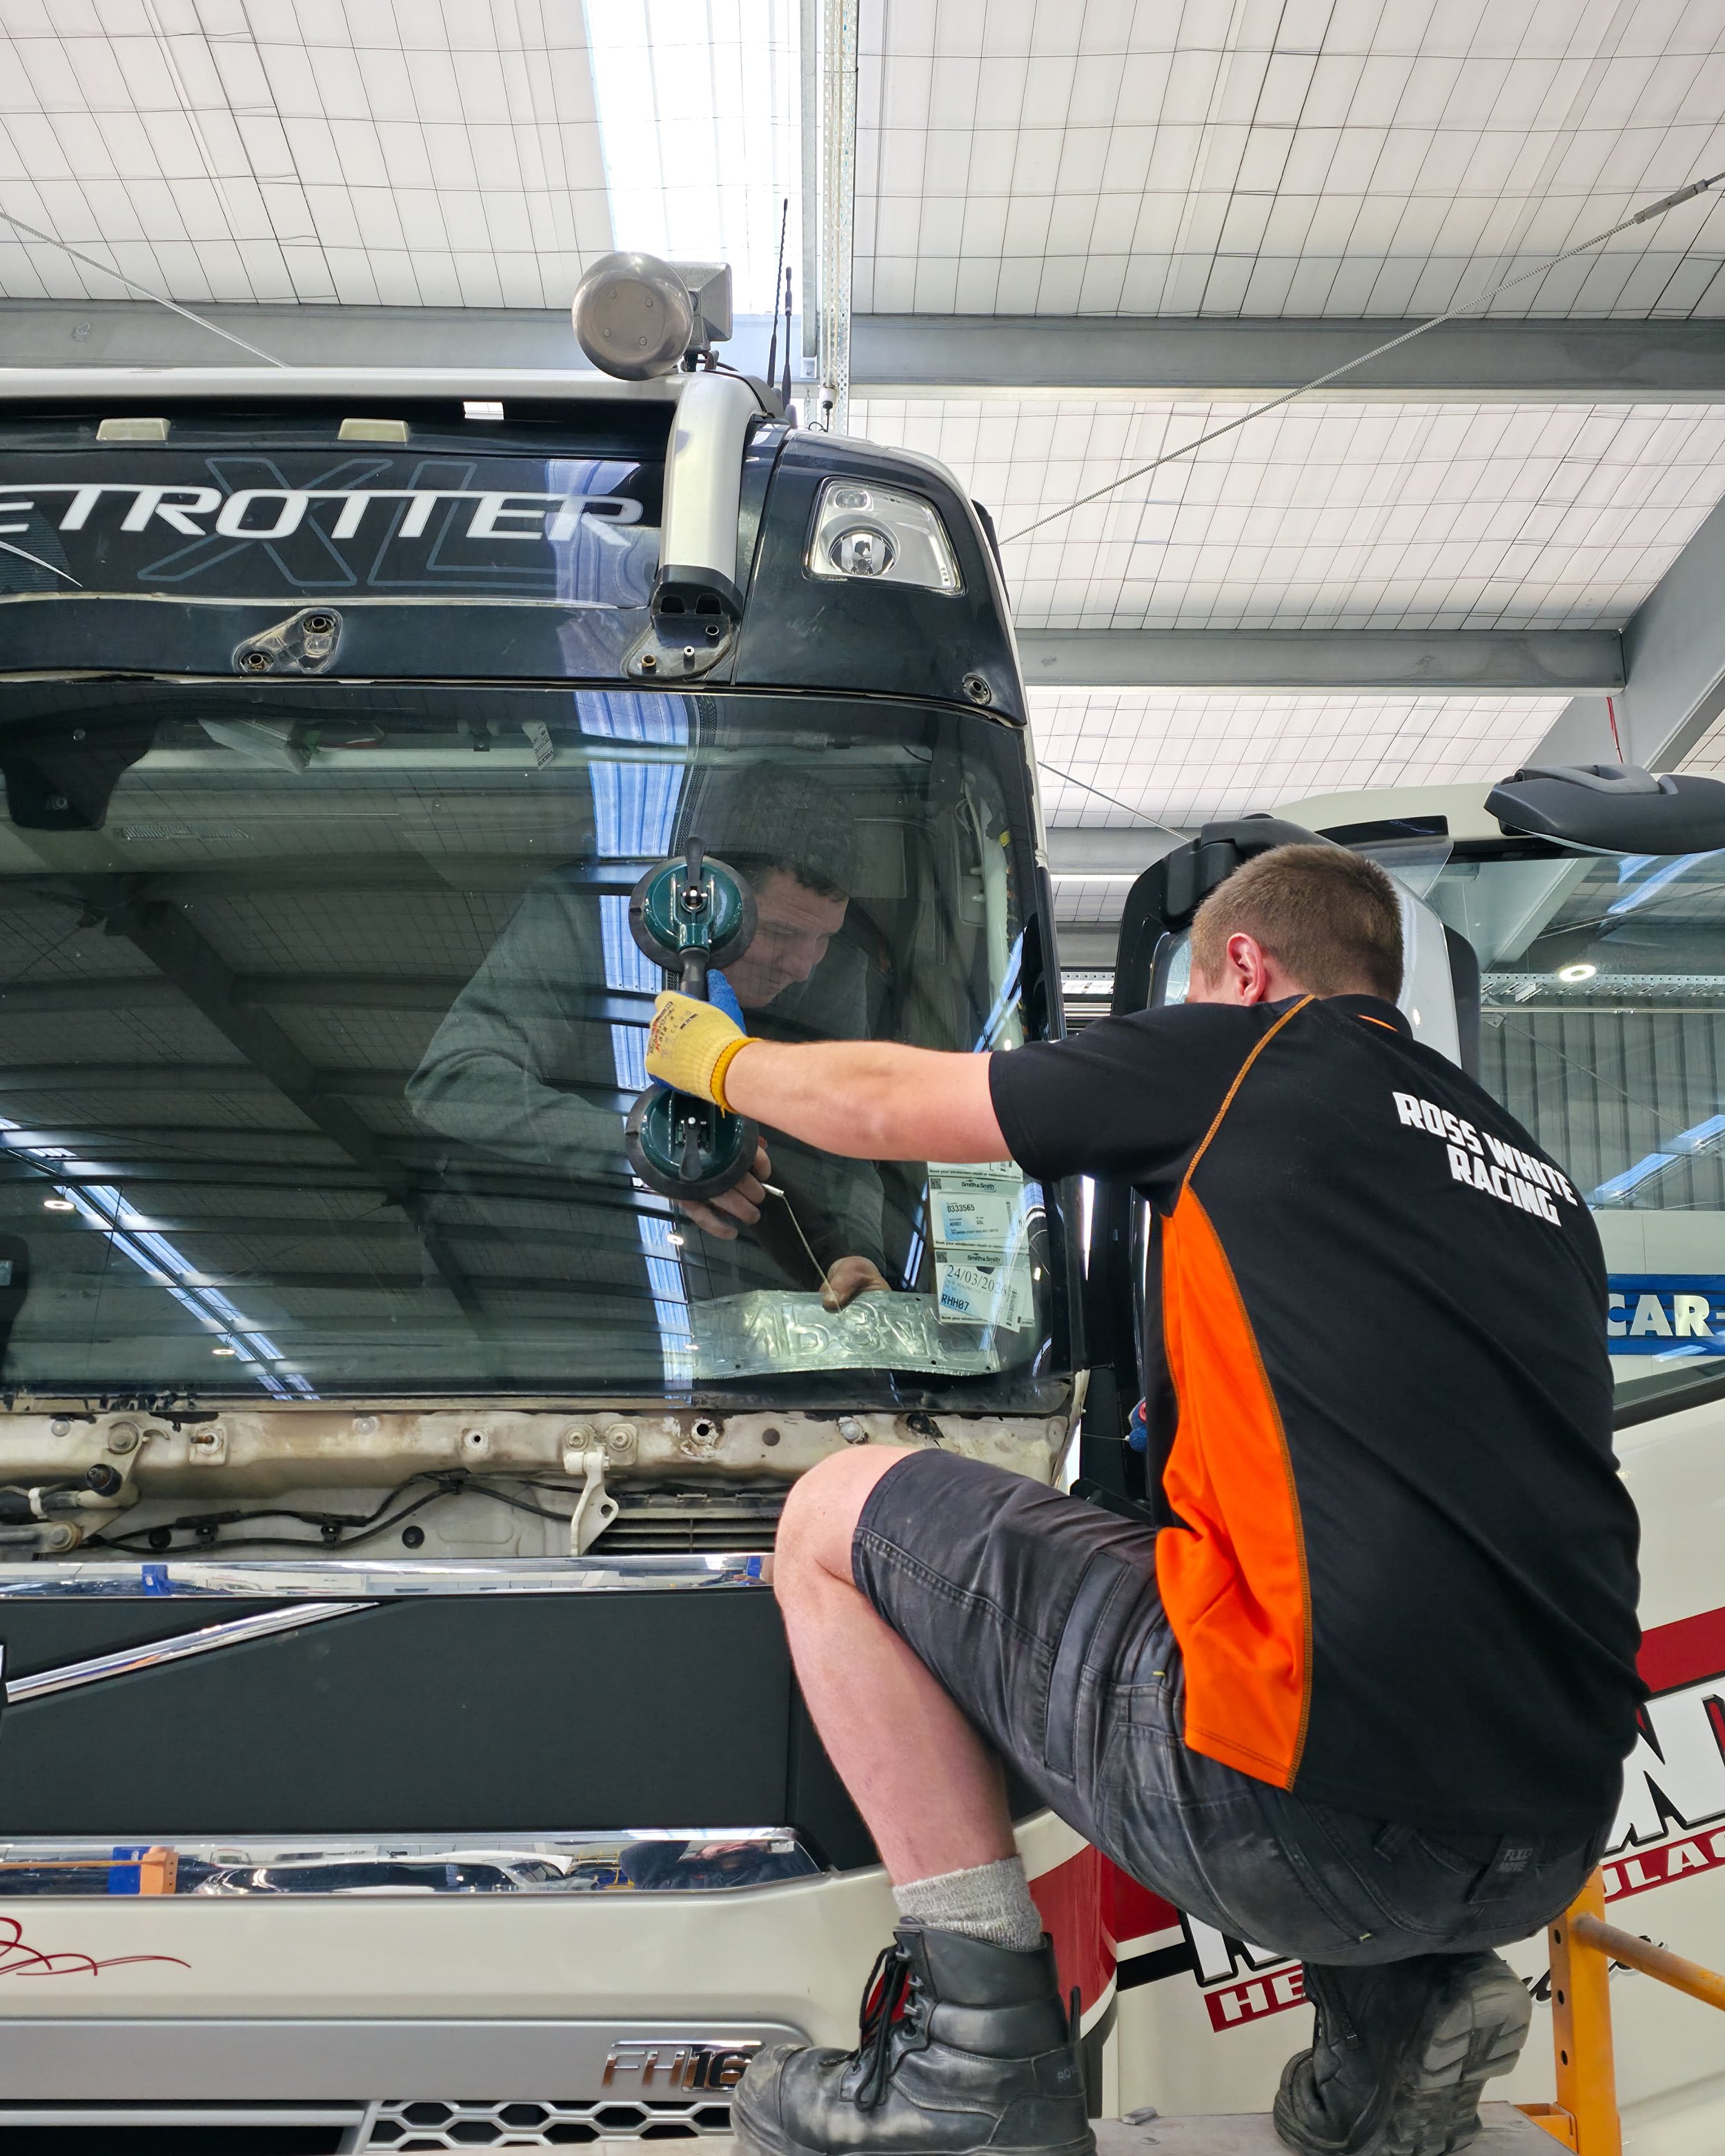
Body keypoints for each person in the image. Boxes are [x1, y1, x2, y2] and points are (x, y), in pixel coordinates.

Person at [643, 843, 1642, 2156]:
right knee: (1260, 1576)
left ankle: (973, 2059)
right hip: (1555, 1835)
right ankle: (1399, 2014)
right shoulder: (1532, 1180)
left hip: (1305, 1824)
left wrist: (718, 1062)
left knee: (833, 1516)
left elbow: (895, 1105)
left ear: (1242, 965)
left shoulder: (1255, 1054)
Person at [408, 763, 890, 1312]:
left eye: (823, 938)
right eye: (781, 933)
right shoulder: (590, 919)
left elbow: (856, 1133)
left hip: (739, 1299)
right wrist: (647, 1149)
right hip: (528, 1280)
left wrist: (855, 1254)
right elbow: (451, 1082)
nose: (803, 966)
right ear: (712, 896)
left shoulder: (834, 972)